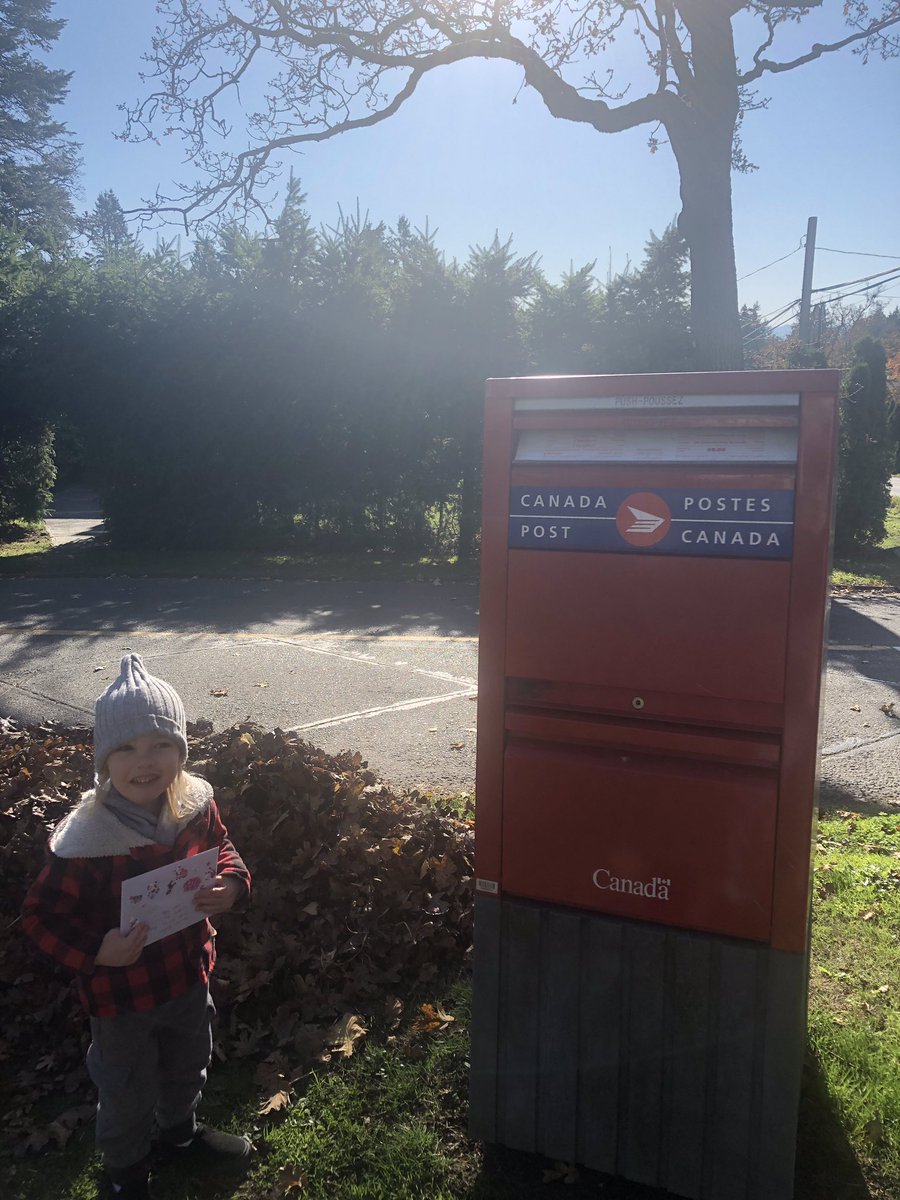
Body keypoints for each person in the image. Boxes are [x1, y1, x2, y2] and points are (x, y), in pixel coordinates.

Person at [22, 654, 252, 1200]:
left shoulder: (195, 807)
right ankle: (125, 1174)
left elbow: (223, 849)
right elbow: (40, 917)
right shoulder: (86, 841)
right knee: (126, 1089)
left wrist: (232, 884)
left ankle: (179, 1135)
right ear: (104, 760)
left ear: (181, 751)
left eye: (161, 744)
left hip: (187, 975)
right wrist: (96, 949)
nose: (144, 762)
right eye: (126, 748)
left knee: (188, 1064)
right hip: (121, 998)